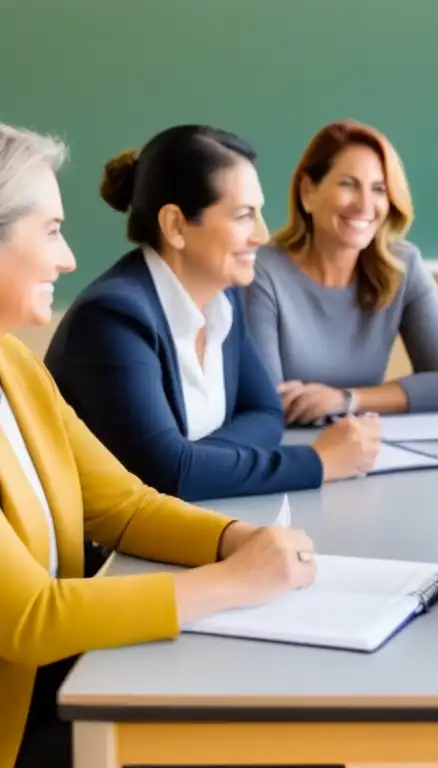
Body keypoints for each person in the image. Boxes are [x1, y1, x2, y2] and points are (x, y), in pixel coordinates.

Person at [0, 123, 319, 768]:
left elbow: (123, 506)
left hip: (63, 691)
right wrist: (233, 582)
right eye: (53, 230)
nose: (69, 260)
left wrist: (237, 538)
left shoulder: (13, 364)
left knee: (300, 737)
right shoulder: (107, 314)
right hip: (25, 730)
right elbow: (32, 618)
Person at [44, 125, 381, 502]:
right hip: (108, 555)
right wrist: (318, 462)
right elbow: (166, 475)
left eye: (259, 213)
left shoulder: (224, 298)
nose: (262, 234)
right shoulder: (113, 319)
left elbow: (265, 412)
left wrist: (195, 461)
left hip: (198, 520)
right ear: (175, 226)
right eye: (243, 216)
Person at [244, 119, 438, 425]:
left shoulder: (403, 267)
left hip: (364, 446)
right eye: (348, 184)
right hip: (289, 453)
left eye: (379, 189)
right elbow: (268, 403)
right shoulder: (262, 273)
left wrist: (346, 399)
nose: (365, 205)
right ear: (308, 192)